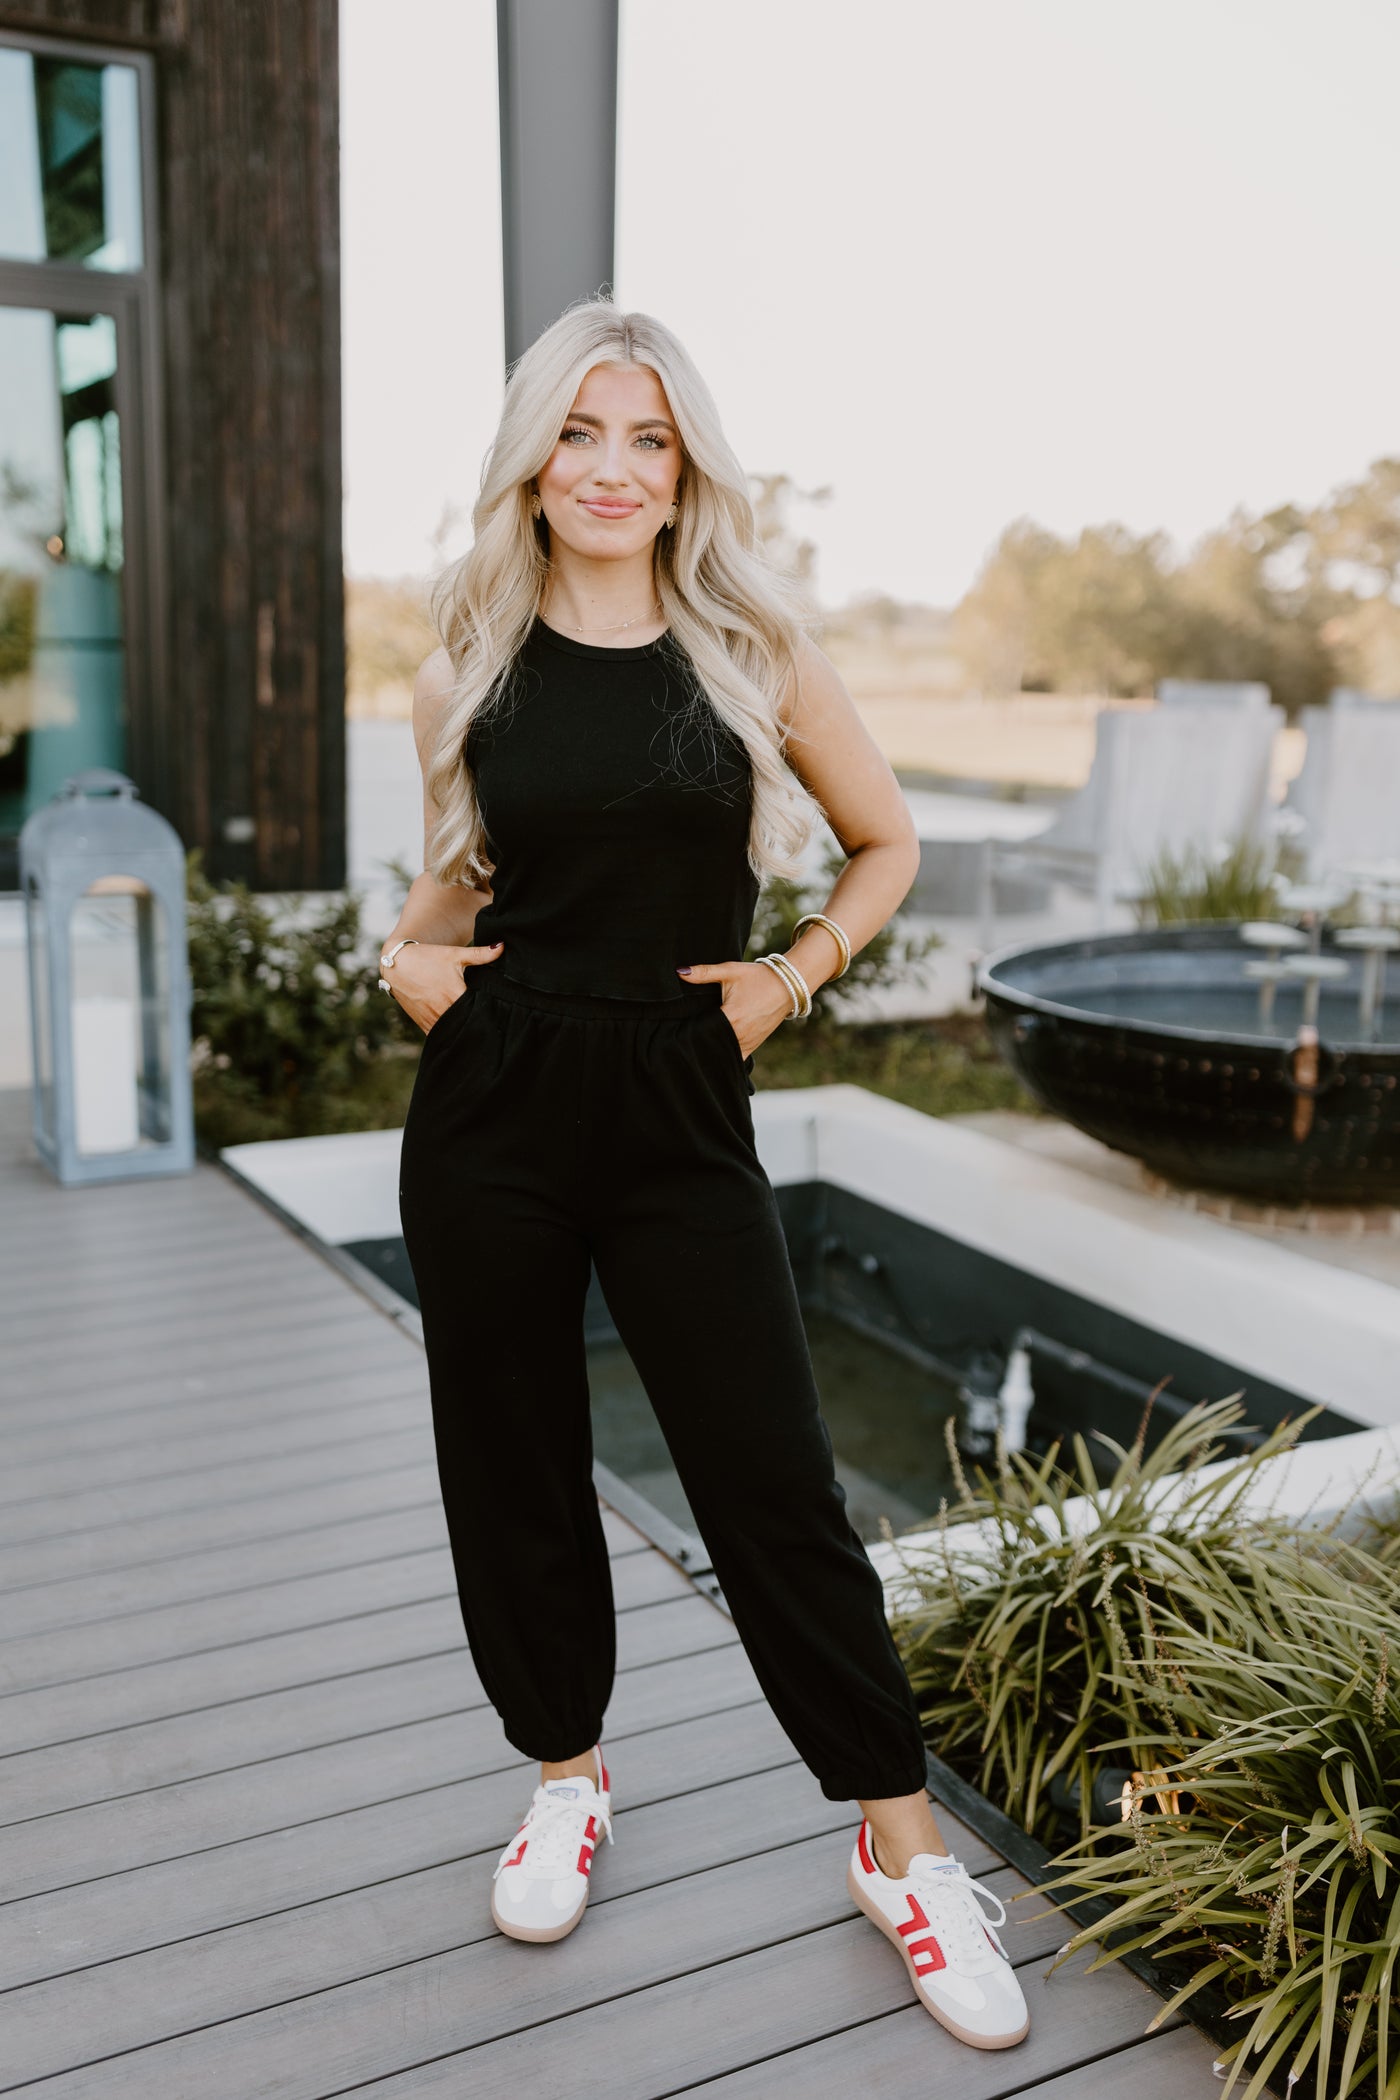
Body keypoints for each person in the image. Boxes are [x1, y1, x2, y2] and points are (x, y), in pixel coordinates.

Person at [380, 298, 1029, 2051]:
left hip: (679, 1102)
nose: (609, 469)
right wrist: (409, 960)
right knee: (508, 1459)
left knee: (771, 1484)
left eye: (645, 438)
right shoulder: (465, 668)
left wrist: (790, 976)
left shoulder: (748, 650)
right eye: (578, 434)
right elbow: (455, 883)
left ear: (686, 470)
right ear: (533, 458)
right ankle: (567, 1776)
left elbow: (888, 842)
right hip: (497, 1107)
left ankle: (898, 1847)